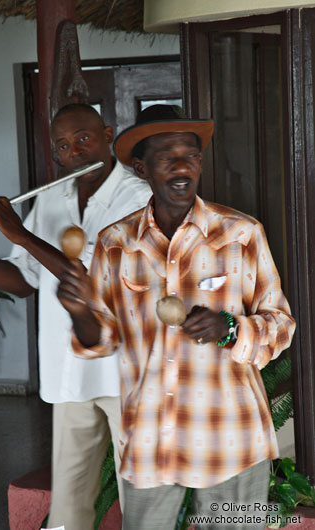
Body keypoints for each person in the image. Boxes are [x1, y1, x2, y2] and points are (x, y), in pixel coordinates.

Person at [57, 104, 296, 530]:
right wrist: (78, 311)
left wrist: (229, 329)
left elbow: (281, 325)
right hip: (150, 437)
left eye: (192, 155)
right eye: (168, 157)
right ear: (141, 169)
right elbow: (102, 338)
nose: (183, 166)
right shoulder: (115, 244)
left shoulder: (242, 234)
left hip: (233, 438)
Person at [0, 103, 152, 530]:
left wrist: (18, 233)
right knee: (69, 501)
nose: (75, 153)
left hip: (128, 372)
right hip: (70, 371)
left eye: (84, 139)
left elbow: (89, 277)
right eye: (63, 146)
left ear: (107, 135)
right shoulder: (50, 197)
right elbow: (23, 282)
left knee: (140, 497)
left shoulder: (139, 196)